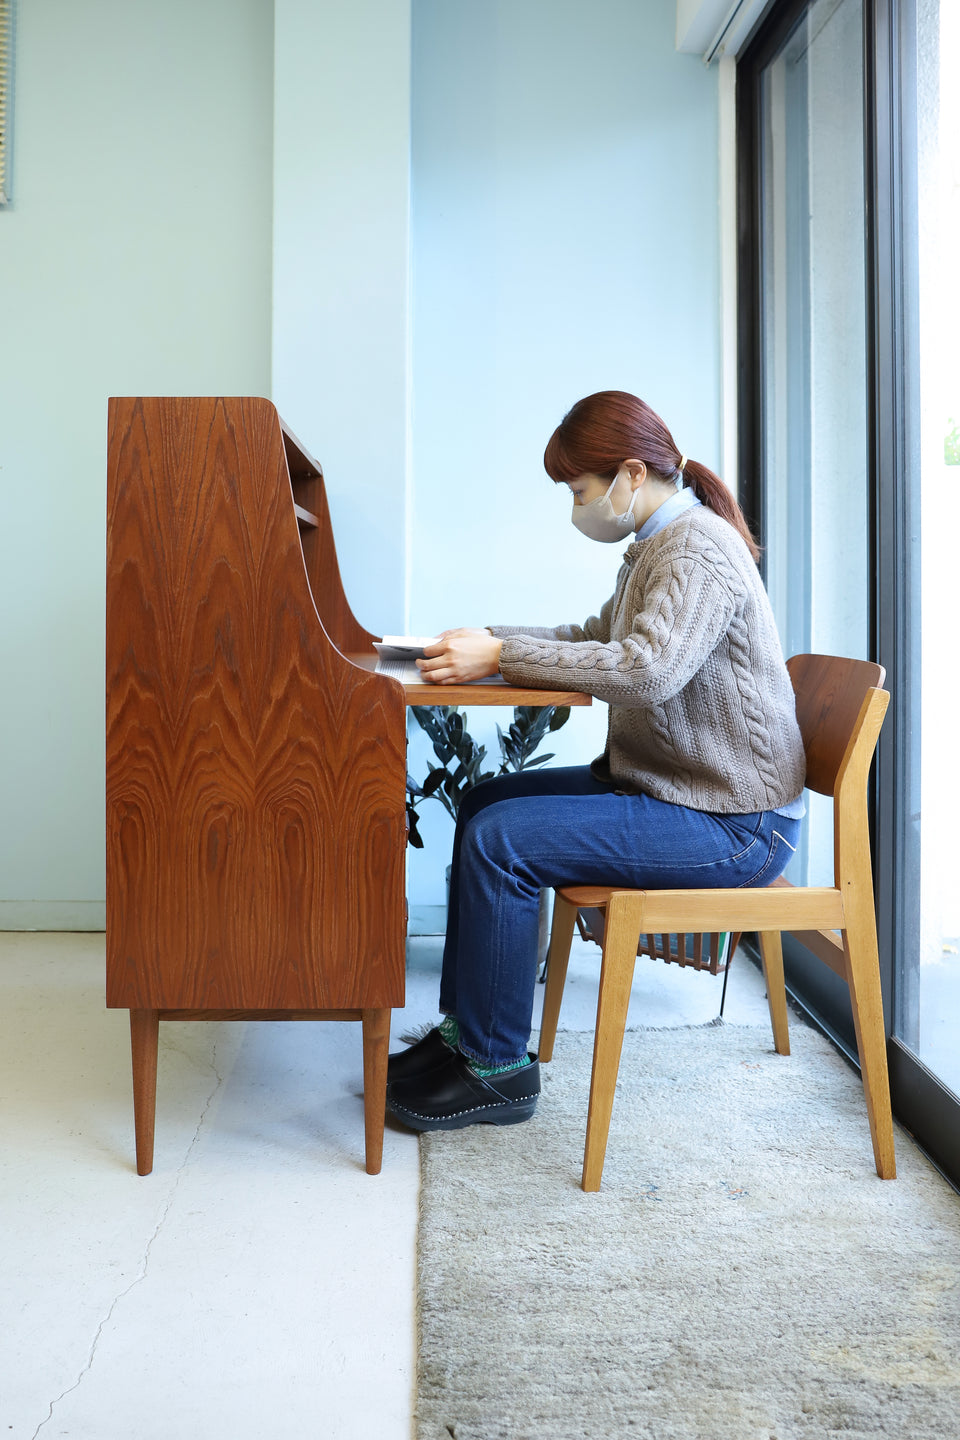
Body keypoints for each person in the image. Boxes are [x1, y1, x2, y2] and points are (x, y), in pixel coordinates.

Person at [385, 390, 806, 1134]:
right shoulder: (656, 546)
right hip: (678, 792)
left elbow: (645, 669)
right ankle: (465, 1036)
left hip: (733, 823)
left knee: (500, 841)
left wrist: (503, 654)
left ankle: (496, 1071)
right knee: (486, 804)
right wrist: (480, 643)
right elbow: (591, 636)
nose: (576, 508)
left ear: (630, 475)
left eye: (578, 491)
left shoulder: (697, 548)